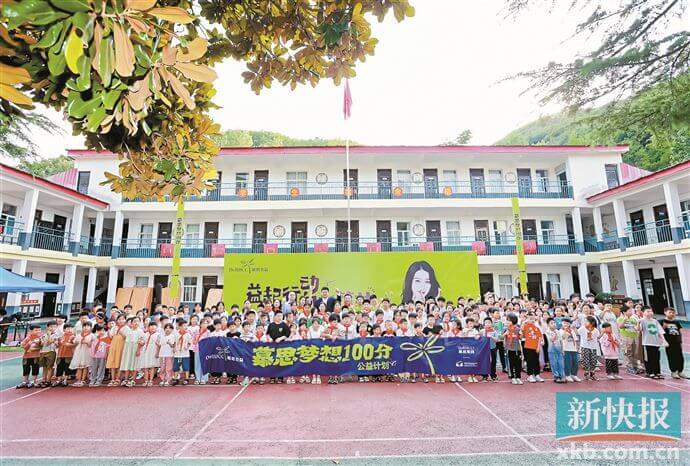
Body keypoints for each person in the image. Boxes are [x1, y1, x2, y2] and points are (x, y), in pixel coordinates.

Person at [660, 307, 688, 379]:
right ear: (665, 312)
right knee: (671, 357)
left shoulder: (676, 322)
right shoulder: (662, 321)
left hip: (677, 342)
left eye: (673, 313)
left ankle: (680, 371)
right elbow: (660, 332)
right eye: (670, 312)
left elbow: (679, 332)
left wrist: (680, 341)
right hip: (669, 343)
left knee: (680, 357)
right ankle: (673, 371)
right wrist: (664, 340)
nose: (672, 314)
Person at [640, 307, 666, 379]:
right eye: (648, 311)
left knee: (656, 358)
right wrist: (638, 322)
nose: (650, 313)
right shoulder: (642, 321)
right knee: (649, 358)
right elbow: (639, 329)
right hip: (647, 343)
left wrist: (664, 340)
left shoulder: (655, 321)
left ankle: (657, 372)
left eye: (651, 311)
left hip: (656, 343)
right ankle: (650, 372)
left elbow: (660, 331)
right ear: (643, 313)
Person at [16, 324, 42, 389]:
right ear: (31, 331)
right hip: (26, 356)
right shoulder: (28, 338)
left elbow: (42, 347)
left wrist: (35, 349)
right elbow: (22, 346)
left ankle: (34, 381)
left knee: (35, 368)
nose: (38, 331)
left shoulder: (40, 338)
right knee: (26, 369)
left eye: (39, 330)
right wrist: (28, 344)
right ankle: (25, 381)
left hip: (36, 356)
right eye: (36, 330)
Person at [522, 312, 544, 383]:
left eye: (533, 319)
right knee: (529, 361)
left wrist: (538, 347)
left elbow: (540, 337)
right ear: (527, 319)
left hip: (536, 347)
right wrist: (524, 322)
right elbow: (522, 333)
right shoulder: (525, 326)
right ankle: (530, 375)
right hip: (528, 347)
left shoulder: (537, 327)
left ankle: (537, 375)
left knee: (536, 361)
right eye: (530, 319)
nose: (532, 320)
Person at [70, 322, 94, 387]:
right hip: (79, 352)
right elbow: (74, 343)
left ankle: (83, 380)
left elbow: (92, 345)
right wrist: (71, 340)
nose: (86, 328)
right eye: (84, 326)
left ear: (91, 328)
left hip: (87, 352)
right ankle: (78, 380)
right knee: (79, 366)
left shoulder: (92, 335)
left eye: (88, 326)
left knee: (85, 366)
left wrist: (87, 342)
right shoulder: (79, 335)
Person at [578, 316, 600, 381]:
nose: (585, 322)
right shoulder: (583, 328)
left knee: (593, 360)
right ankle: (586, 374)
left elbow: (598, 336)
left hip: (593, 347)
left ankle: (592, 373)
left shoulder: (595, 330)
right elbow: (577, 332)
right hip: (585, 347)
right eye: (585, 321)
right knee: (586, 360)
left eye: (587, 321)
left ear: (592, 322)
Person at [138, 321, 160, 387]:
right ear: (148, 327)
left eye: (154, 326)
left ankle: (151, 380)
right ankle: (146, 380)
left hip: (153, 351)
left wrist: (157, 353)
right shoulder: (146, 334)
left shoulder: (158, 335)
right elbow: (143, 343)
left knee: (152, 367)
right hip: (146, 351)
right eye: (151, 326)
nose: (153, 327)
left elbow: (159, 345)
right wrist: (140, 342)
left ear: (156, 327)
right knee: (145, 367)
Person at [503, 313, 523, 385]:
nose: (507, 322)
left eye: (508, 320)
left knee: (518, 364)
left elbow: (521, 338)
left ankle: (518, 377)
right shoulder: (506, 329)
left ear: (513, 320)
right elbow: (501, 338)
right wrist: (505, 334)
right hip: (509, 349)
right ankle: (512, 378)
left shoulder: (518, 329)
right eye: (507, 320)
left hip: (517, 349)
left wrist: (521, 333)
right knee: (511, 364)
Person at [55, 323, 75, 387]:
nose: (70, 330)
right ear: (64, 330)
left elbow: (75, 344)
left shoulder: (73, 337)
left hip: (69, 355)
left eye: (71, 328)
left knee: (67, 368)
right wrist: (56, 343)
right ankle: (59, 380)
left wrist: (70, 344)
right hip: (60, 354)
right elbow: (58, 345)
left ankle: (65, 380)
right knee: (59, 367)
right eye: (68, 328)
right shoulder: (61, 337)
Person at [545, 317, 565, 383]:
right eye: (551, 323)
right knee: (554, 364)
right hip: (551, 350)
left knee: (561, 363)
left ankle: (562, 376)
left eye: (554, 323)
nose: (554, 324)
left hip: (559, 350)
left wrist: (562, 350)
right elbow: (552, 339)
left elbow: (561, 341)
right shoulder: (547, 332)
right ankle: (556, 376)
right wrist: (554, 334)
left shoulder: (557, 331)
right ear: (548, 325)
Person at [560, 318, 580, 382]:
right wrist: (566, 331)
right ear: (562, 323)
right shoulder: (561, 330)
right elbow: (563, 337)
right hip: (566, 349)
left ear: (569, 324)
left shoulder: (572, 330)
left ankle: (574, 375)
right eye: (564, 323)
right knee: (567, 363)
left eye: (567, 323)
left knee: (575, 363)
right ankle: (567, 375)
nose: (566, 324)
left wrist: (577, 347)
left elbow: (575, 339)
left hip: (573, 349)